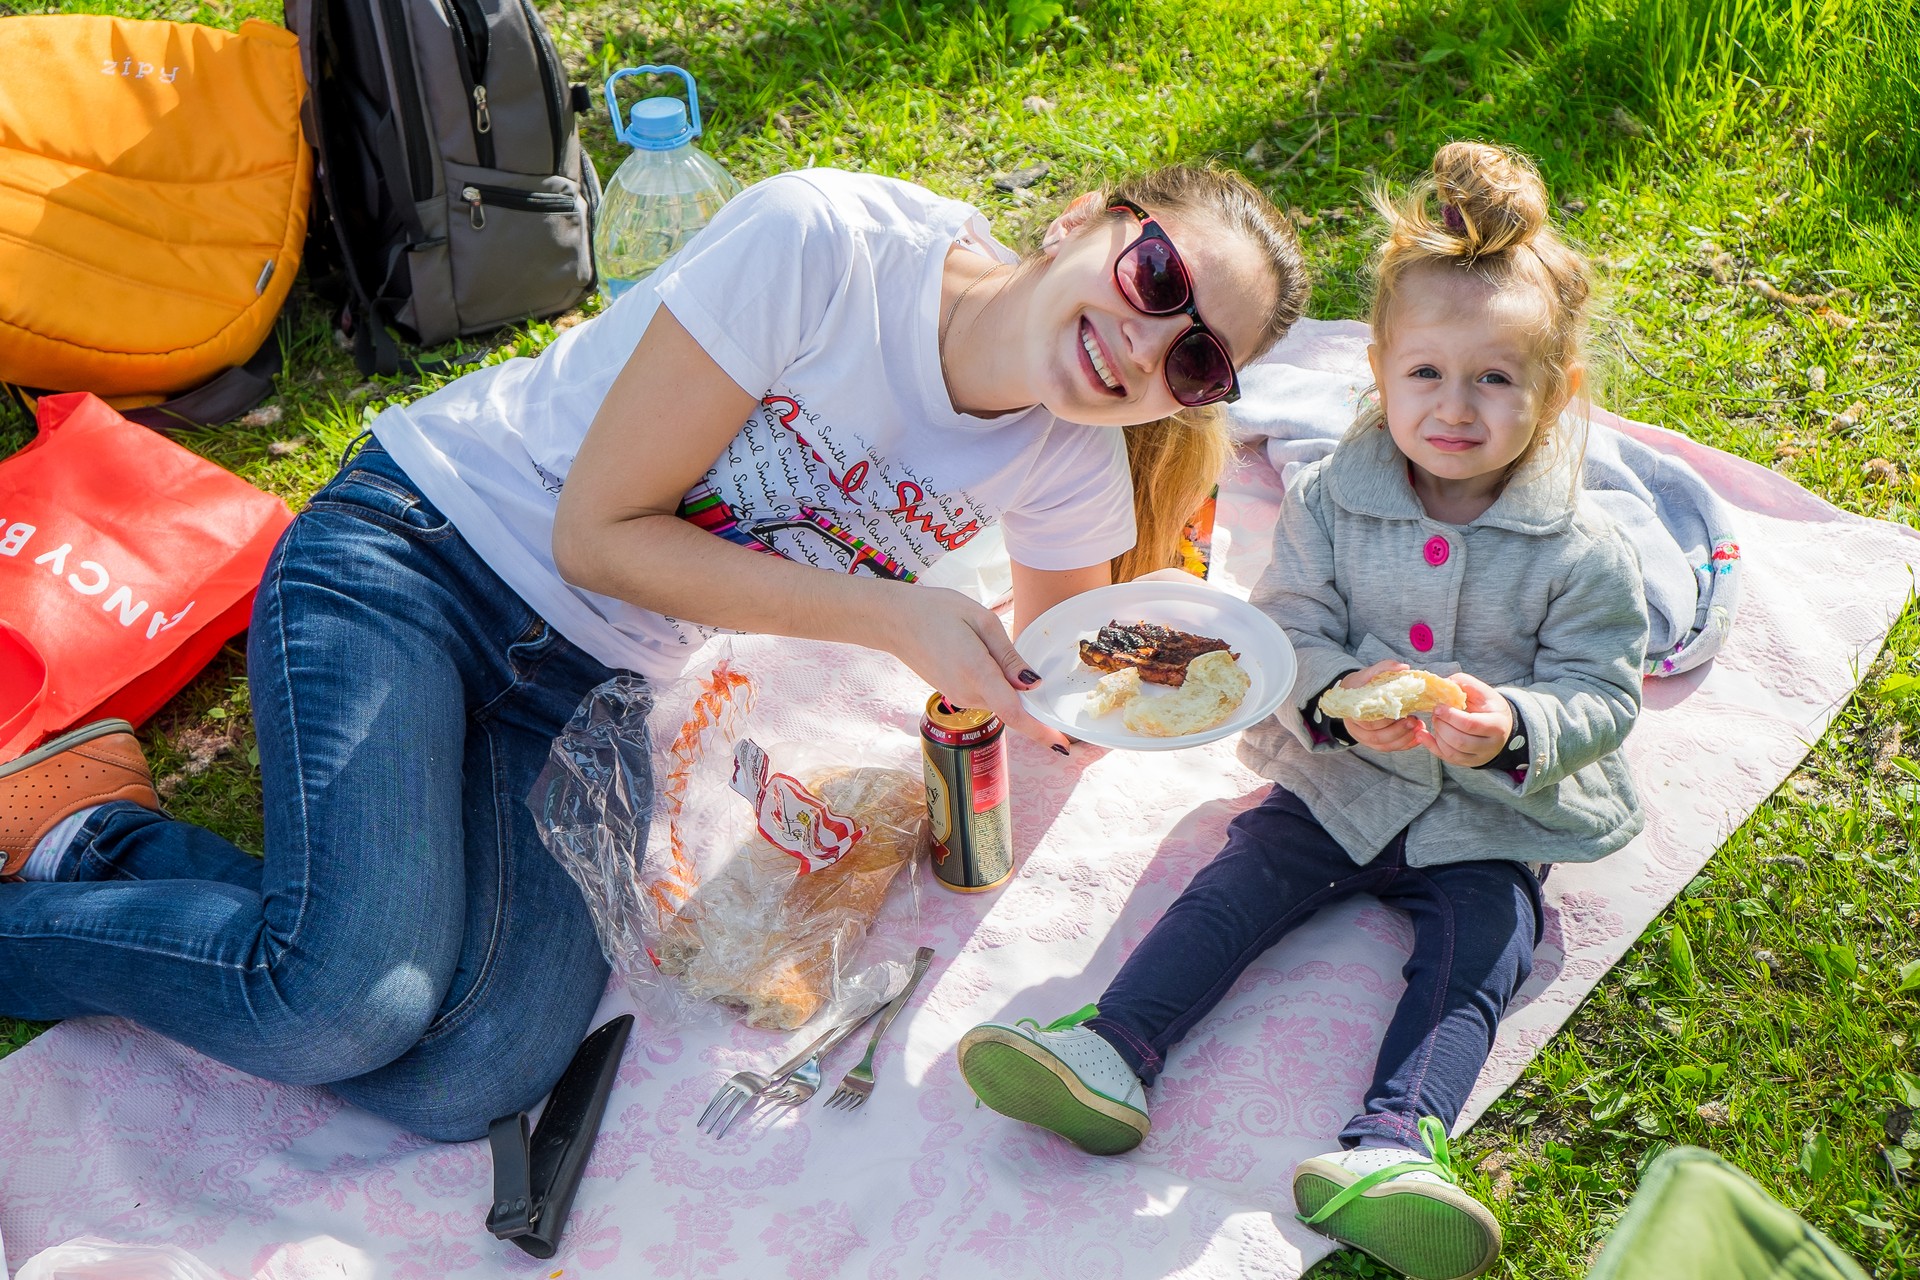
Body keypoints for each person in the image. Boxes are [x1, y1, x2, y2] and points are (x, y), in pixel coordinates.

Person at [0, 164, 1309, 1140]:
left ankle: (96, 844)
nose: (1144, 345)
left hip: (584, 686)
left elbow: (1051, 672)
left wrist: (1194, 683)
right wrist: (895, 619)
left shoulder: (1068, 458)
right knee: (341, 1003)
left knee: (468, 1074)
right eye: (1156, 282)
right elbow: (599, 536)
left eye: (1196, 358)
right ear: (1083, 217)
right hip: (415, 556)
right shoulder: (831, 244)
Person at [956, 141, 1647, 1280]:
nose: (1456, 408)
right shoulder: (1334, 497)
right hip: (1342, 778)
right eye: (1427, 375)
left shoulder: (1582, 547)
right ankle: (1115, 1047)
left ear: (1557, 390)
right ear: (1379, 374)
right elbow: (1290, 627)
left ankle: (1395, 1143)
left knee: (1483, 948)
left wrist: (1516, 723)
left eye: (1497, 379)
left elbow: (1601, 688)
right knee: (1238, 879)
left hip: (1489, 811)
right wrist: (1334, 700)